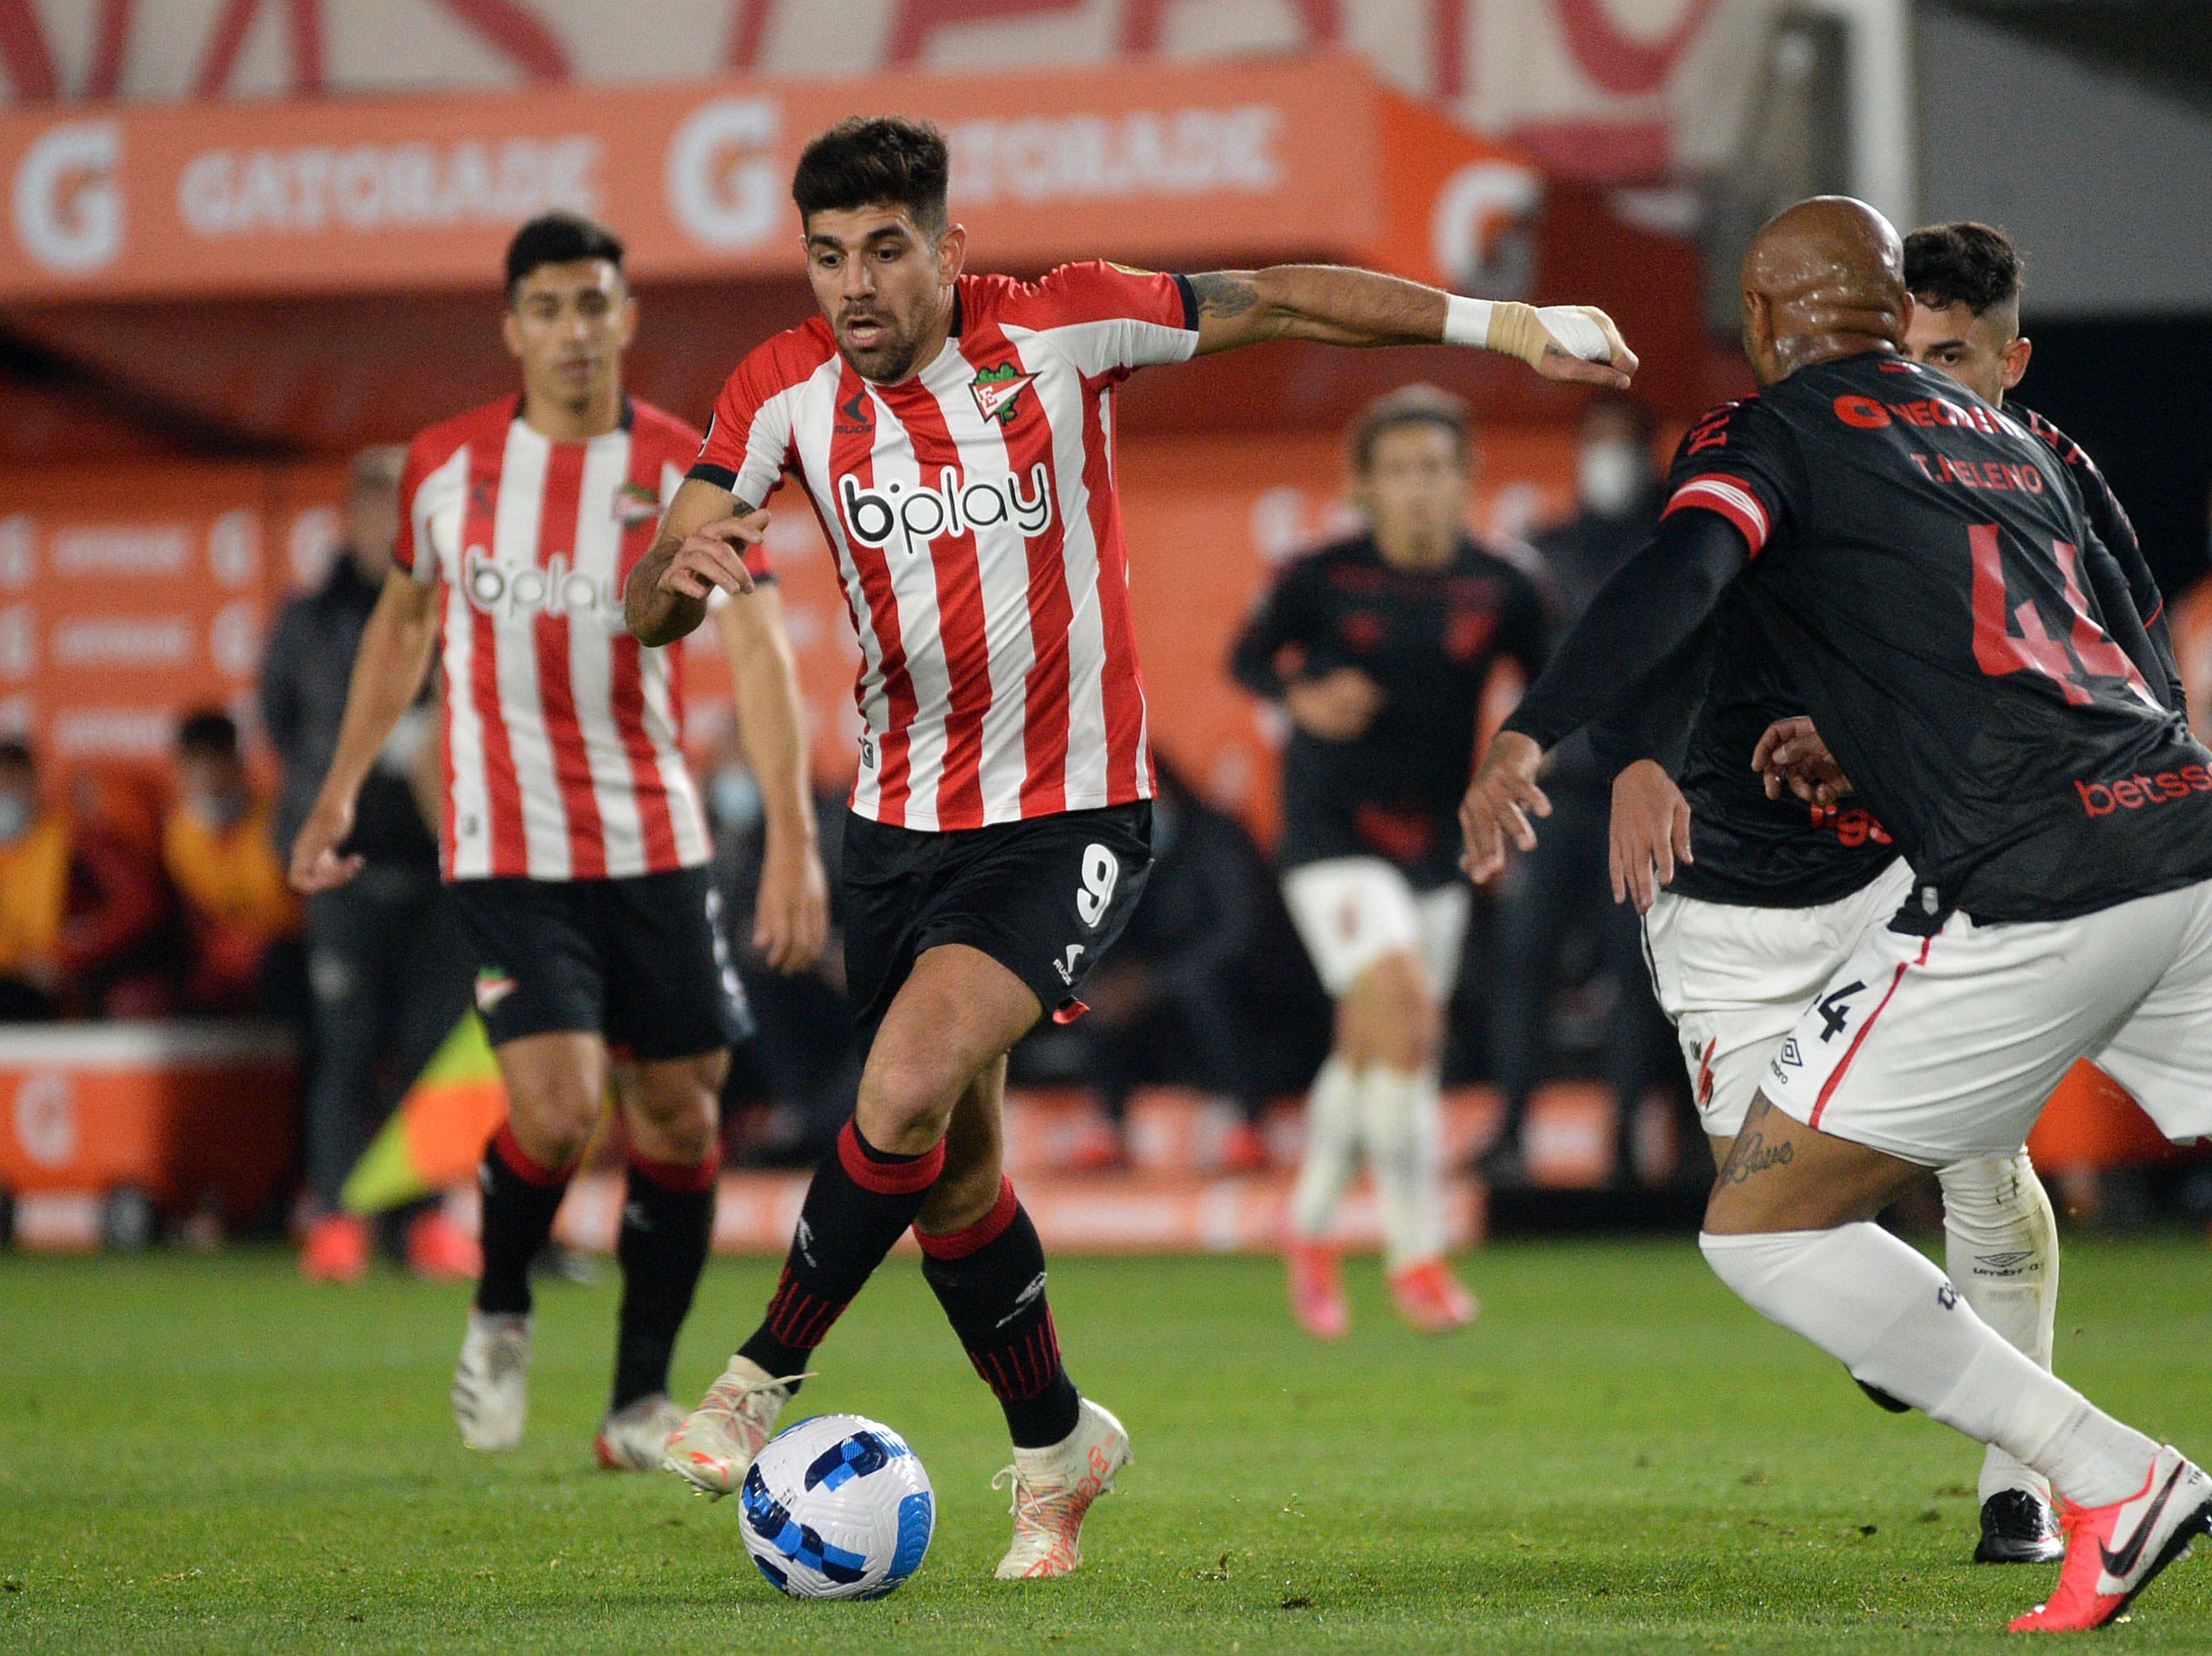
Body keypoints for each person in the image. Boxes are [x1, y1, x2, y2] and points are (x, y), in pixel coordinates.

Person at [623, 114, 1633, 1578]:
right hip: (897, 827)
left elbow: (1284, 296)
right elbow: (659, 591)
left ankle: (757, 1372)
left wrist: (1509, 325)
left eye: (886, 250)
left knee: (897, 1086)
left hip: (1067, 812)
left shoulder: (1062, 326)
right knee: (951, 1175)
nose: (854, 284)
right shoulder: (776, 390)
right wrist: (678, 569)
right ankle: (1058, 1450)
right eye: (827, 255)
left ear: (947, 250)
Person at [1462, 195, 2212, 1632]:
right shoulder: (2021, 447)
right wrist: (1654, 750)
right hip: (2160, 828)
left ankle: (2087, 1473)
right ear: (1897, 320)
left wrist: (1536, 731)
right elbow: (2108, 654)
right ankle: (1949, 1354)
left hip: (2017, 879)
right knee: (1830, 1198)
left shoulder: (1775, 433)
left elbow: (1679, 572)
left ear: (1758, 325)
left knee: (1766, 1228)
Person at [288, 213, 829, 1472]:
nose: (575, 331)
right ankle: (500, 1303)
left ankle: (638, 1399)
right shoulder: (446, 469)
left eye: (596, 304)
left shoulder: (694, 467)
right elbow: (403, 628)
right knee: (559, 1103)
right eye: (549, 308)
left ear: (626, 318)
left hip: (654, 842)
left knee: (682, 1121)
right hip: (508, 843)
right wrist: (339, 787)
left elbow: (753, 652)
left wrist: (794, 837)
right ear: (513, 326)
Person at [1229, 384, 1544, 1337]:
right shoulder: (1321, 574)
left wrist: (1526, 755)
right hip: (1328, 836)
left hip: (1436, 842)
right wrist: (1303, 694)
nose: (1419, 487)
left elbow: (1556, 683)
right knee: (1406, 1018)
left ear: (1465, 481)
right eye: (1399, 469)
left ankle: (1309, 1225)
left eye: (1436, 467)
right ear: (1363, 485)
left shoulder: (1505, 582)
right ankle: (1416, 1256)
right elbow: (1249, 658)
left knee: (1380, 1047)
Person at [262, 446, 478, 1283]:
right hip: (345, 868)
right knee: (346, 1043)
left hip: (438, 867)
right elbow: (280, 724)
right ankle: (340, 1215)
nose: (385, 524)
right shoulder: (309, 618)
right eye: (373, 508)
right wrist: (338, 779)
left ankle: (421, 1218)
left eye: (401, 510)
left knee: (430, 1049)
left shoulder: (457, 610)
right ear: (348, 516)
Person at [1481, 395, 1673, 1189]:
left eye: (1621, 442)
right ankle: (1510, 1131)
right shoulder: (1545, 552)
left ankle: (1629, 1142)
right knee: (1521, 963)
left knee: (1640, 974)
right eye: (1596, 441)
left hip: (1645, 792)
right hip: (1560, 795)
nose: (1607, 458)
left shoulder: (1680, 544)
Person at [1057, 754, 1275, 1170]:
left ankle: (1246, 1126)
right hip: (1157, 1010)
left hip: (1244, 1000)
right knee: (1093, 992)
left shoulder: (1217, 837)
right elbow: (1097, 933)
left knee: (1201, 988)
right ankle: (1108, 1128)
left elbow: (1239, 935)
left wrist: (1154, 983)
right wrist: (1116, 982)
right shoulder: (1112, 856)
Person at [0, 739, 166, 1021]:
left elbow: (139, 903)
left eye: (13, 783)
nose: (6, 794)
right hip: (14, 976)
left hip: (69, 979)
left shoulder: (75, 839)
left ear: (33, 782)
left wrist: (69, 953)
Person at [162, 710, 305, 1017]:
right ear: (181, 770)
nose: (209, 776)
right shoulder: (176, 836)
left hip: (287, 952)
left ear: (238, 763)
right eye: (197, 764)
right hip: (220, 959)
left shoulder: (279, 820)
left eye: (218, 761)